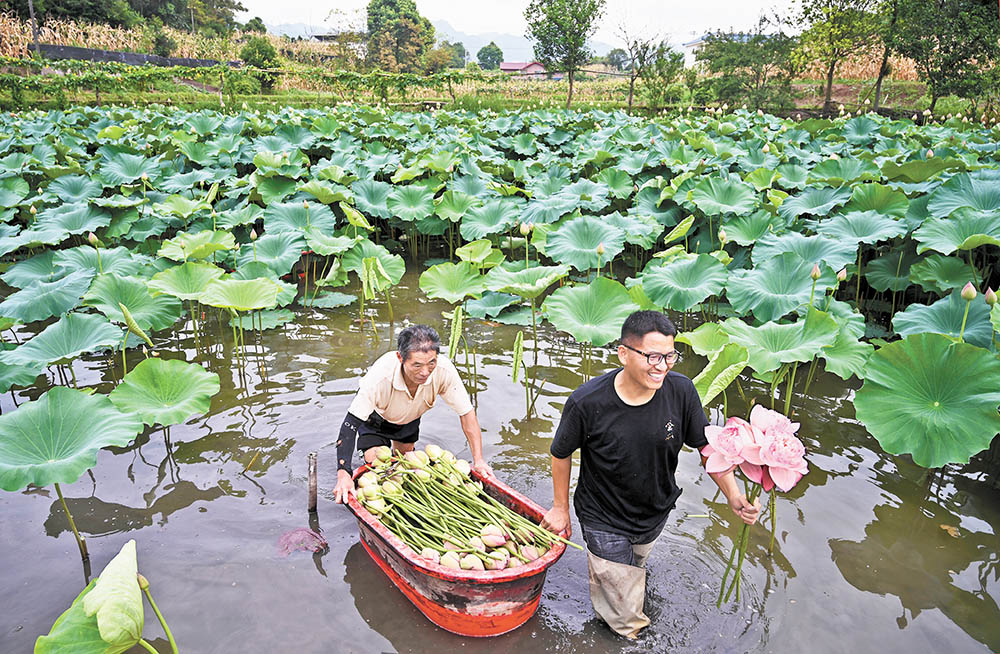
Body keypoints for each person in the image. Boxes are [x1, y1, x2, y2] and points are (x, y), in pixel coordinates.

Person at [540, 310, 760, 639]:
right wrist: (560, 507)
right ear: (624, 354)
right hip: (604, 519)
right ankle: (625, 635)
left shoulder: (681, 391)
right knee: (627, 623)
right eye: (653, 356)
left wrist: (734, 495)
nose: (663, 366)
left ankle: (620, 602)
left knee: (635, 573)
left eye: (670, 355)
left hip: (655, 511)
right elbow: (560, 453)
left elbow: (706, 447)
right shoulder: (587, 402)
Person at [333, 325, 492, 503]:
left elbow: (467, 414)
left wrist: (478, 460)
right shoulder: (379, 378)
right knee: (382, 468)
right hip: (375, 420)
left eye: (431, 362)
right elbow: (349, 426)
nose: (425, 372)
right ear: (400, 357)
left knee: (406, 469)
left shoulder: (444, 371)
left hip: (410, 417)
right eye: (417, 364)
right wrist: (343, 473)